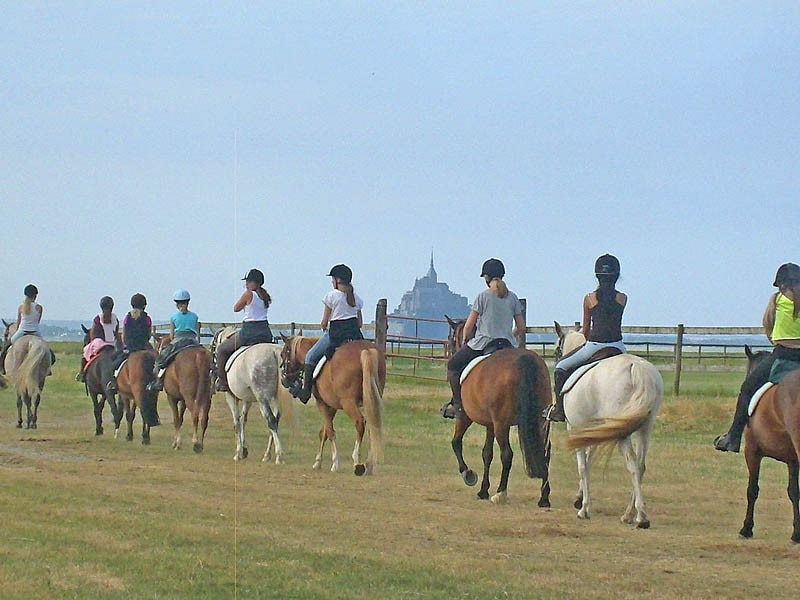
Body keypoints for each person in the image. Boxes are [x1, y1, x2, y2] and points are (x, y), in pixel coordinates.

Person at [714, 262, 800, 452]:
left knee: (747, 389)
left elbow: (768, 326)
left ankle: (733, 437)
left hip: (783, 354)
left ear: (782, 284)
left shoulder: (777, 300)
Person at [544, 254, 628, 422]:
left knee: (560, 367)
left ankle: (559, 410)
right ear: (617, 276)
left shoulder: (590, 299)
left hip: (595, 345)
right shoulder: (622, 298)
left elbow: (586, 331)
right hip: (618, 347)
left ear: (597, 276)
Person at [440, 258, 525, 419]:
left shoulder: (482, 297)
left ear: (486, 278)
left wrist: (465, 341)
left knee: (453, 365)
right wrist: (509, 335)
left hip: (483, 343)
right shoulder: (513, 298)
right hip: (507, 344)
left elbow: (468, 327)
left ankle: (458, 406)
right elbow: (521, 327)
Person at [292, 264, 364, 404]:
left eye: (332, 279)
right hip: (355, 337)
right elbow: (360, 323)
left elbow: (324, 322)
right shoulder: (356, 298)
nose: (332, 281)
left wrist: (324, 327)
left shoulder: (331, 296)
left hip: (336, 336)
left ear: (338, 280)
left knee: (310, 357)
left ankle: (305, 392)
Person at [214, 269, 274, 392]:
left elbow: (236, 308)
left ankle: (223, 382)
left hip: (249, 332)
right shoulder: (264, 296)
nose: (246, 284)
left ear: (254, 282)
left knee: (221, 350)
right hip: (265, 332)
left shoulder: (248, 294)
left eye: (248, 281)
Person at [148, 289, 200, 392]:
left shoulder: (173, 317)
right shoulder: (194, 316)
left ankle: (158, 382)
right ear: (188, 302)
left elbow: (172, 336)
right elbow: (196, 333)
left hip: (178, 341)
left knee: (161, 360)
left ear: (176, 304)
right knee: (209, 359)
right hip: (193, 341)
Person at [109, 293, 154, 390]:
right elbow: (149, 334)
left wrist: (126, 344)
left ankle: (113, 382)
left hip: (130, 347)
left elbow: (124, 334)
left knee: (115, 362)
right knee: (157, 360)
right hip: (143, 346)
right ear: (144, 305)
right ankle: (156, 381)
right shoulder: (147, 318)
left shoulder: (127, 318)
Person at [1, 284, 49, 374]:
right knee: (48, 351)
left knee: (5, 349)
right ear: (35, 296)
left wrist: (18, 330)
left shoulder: (21, 307)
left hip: (22, 331)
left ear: (26, 295)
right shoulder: (39, 308)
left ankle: (2, 367)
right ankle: (48, 369)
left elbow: (19, 322)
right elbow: (37, 321)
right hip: (35, 332)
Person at [77, 296, 120, 382]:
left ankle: (82, 373)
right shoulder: (115, 318)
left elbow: (93, 334)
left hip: (100, 344)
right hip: (113, 344)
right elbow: (116, 331)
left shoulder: (98, 318)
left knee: (86, 351)